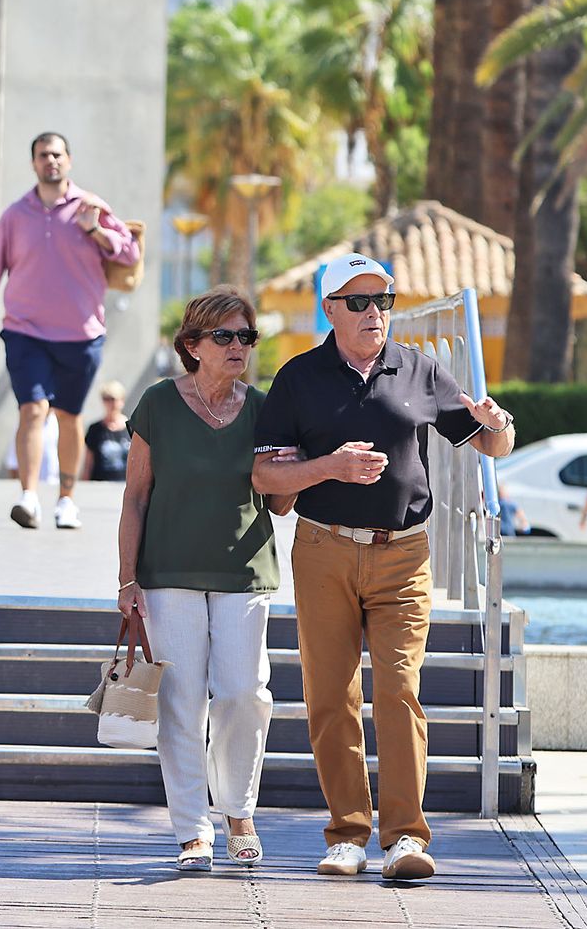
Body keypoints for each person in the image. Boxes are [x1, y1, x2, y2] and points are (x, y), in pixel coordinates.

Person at [253, 253, 516, 882]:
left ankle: (404, 837)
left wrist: (497, 425)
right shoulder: (297, 379)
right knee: (330, 694)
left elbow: (490, 444)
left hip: (404, 555)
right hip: (323, 549)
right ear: (331, 311)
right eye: (360, 302)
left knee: (398, 691)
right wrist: (328, 468)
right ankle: (347, 833)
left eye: (383, 302)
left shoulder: (420, 370)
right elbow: (266, 476)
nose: (375, 314)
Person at [116, 287, 295, 872]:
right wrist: (127, 579)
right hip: (167, 573)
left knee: (245, 693)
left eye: (247, 336)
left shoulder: (265, 408)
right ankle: (194, 828)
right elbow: (136, 496)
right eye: (225, 336)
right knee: (181, 701)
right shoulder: (158, 404)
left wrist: (308, 462)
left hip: (246, 572)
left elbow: (284, 503)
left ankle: (239, 810)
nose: (239, 346)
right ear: (193, 345)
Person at [0, 131, 140, 531]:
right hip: (26, 332)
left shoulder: (91, 206)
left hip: (81, 334)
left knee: (69, 416)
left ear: (68, 160)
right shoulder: (15, 215)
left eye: (56, 154)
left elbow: (129, 253)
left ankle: (67, 501)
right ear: (34, 163)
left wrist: (95, 230)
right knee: (32, 410)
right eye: (42, 155)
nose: (50, 160)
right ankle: (29, 496)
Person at [83, 380, 131, 482]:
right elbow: (88, 464)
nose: (110, 403)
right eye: (106, 399)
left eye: (113, 399)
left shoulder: (132, 428)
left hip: (124, 486)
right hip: (99, 487)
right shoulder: (95, 429)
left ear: (122, 400)